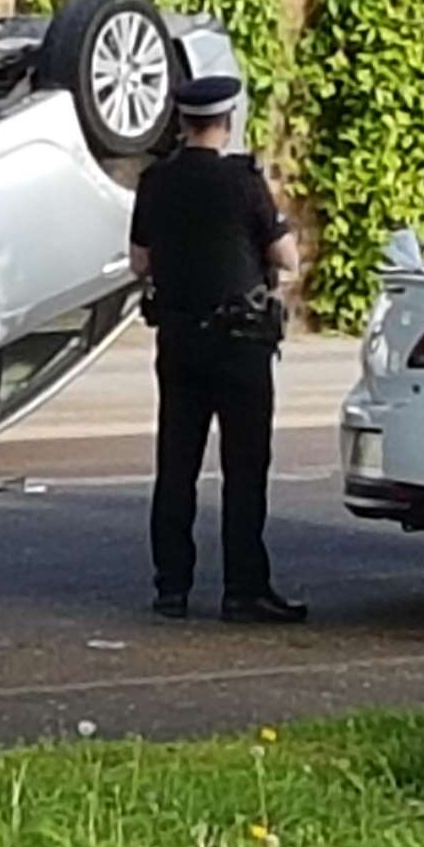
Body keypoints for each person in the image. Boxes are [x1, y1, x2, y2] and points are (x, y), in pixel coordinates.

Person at [129, 75, 306, 623]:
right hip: (241, 345)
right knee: (244, 467)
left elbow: (140, 262)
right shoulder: (243, 181)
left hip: (179, 340)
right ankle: (243, 588)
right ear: (227, 121)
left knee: (176, 464)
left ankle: (172, 586)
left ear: (181, 122)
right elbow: (287, 258)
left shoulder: (156, 181)